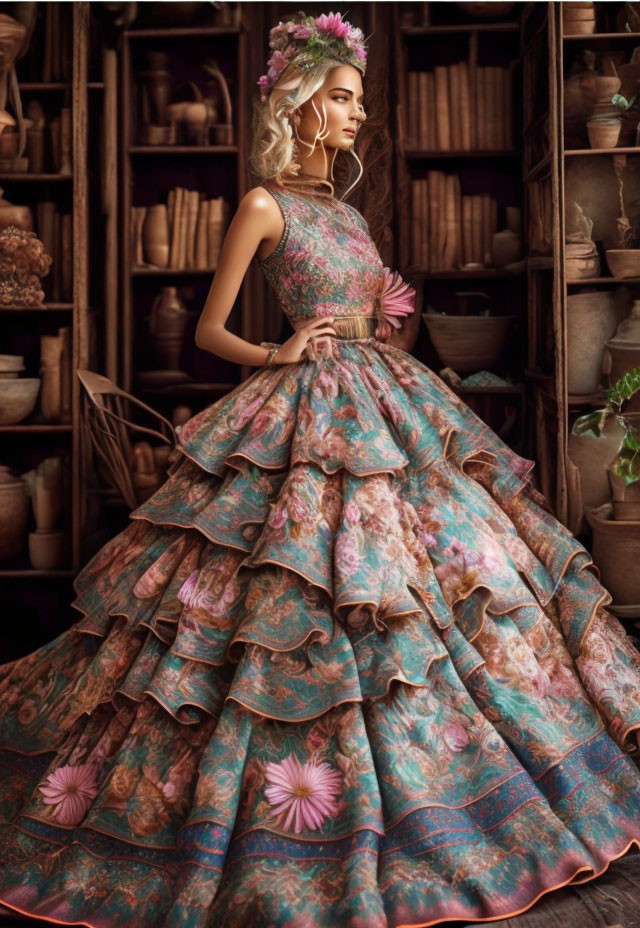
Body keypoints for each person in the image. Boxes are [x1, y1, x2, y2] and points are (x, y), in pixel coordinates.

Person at [1, 10, 640, 928]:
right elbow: (213, 331)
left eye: (358, 102)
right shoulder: (265, 204)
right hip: (300, 397)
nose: (354, 117)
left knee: (457, 568)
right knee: (288, 583)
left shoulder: (343, 211)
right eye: (340, 100)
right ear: (299, 105)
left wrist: (388, 327)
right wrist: (283, 350)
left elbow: (374, 311)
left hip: (384, 398)